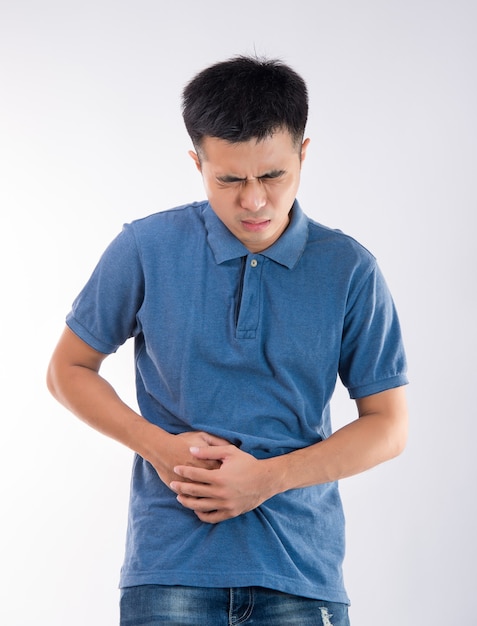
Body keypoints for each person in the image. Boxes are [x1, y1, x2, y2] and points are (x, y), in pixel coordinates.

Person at [47, 55, 409, 626]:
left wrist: (268, 479)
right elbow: (68, 369)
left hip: (300, 573)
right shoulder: (146, 247)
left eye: (272, 176)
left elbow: (388, 426)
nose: (254, 201)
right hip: (169, 570)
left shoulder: (349, 269)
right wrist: (158, 447)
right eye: (230, 179)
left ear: (303, 155)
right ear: (197, 162)